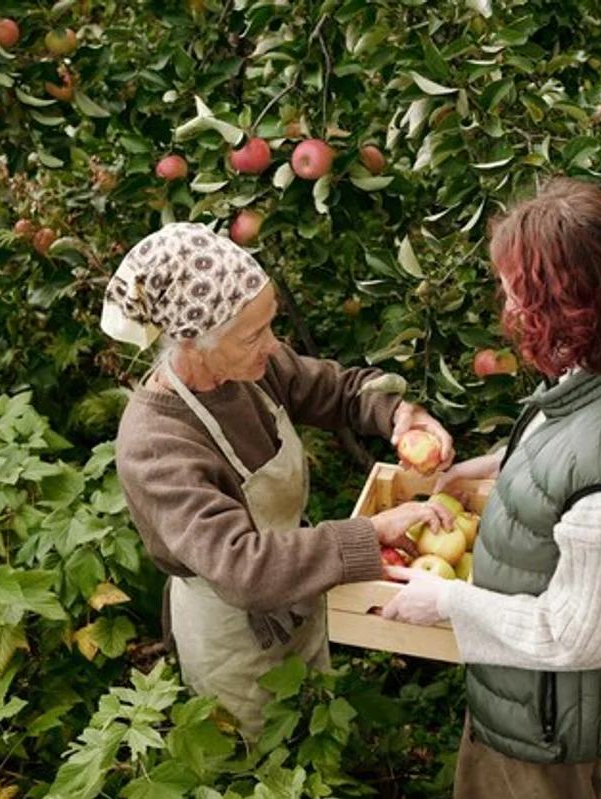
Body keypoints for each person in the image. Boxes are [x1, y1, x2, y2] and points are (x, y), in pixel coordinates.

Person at [381, 178, 601, 799]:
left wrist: (446, 602)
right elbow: (584, 433)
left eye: (518, 296)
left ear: (566, 309)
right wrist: (492, 468)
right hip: (563, 688)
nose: (508, 310)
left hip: (549, 707)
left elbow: (578, 636)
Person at [102, 222, 456, 738]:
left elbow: (337, 389)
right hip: (232, 639)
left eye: (269, 326)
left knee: (315, 734)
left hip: (300, 590)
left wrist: (399, 413)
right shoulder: (157, 444)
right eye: (253, 335)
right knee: (258, 761)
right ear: (193, 342)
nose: (272, 346)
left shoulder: (248, 366)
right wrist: (370, 535)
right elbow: (242, 568)